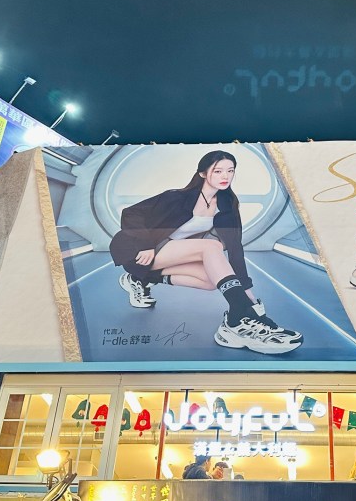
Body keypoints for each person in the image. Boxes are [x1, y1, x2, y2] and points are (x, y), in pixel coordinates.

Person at [109, 150, 303, 355]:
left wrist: (250, 297)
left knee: (211, 280)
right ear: (202, 173)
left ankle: (141, 278)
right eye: (218, 171)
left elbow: (235, 250)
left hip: (171, 253)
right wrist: (146, 244)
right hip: (138, 251)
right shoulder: (177, 197)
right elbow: (130, 213)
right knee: (211, 246)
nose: (225, 176)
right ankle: (238, 321)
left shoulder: (227, 207)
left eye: (230, 171)